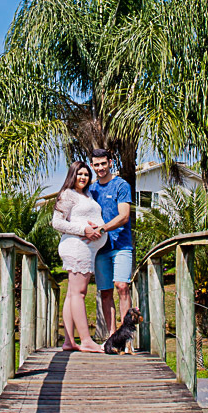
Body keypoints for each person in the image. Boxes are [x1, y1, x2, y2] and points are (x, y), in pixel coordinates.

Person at [51, 160, 107, 353]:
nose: (83, 177)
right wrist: (84, 230)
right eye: (79, 174)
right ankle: (86, 340)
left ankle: (69, 341)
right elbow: (57, 223)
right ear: (72, 175)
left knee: (71, 294)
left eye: (86, 174)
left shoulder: (87, 195)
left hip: (86, 248)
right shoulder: (67, 194)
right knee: (79, 293)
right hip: (77, 247)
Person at [88, 148, 134, 332]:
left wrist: (102, 229)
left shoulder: (121, 185)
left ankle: (126, 336)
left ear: (110, 163)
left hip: (121, 244)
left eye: (103, 164)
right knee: (105, 292)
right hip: (100, 248)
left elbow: (124, 216)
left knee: (122, 286)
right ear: (92, 166)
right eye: (96, 165)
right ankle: (112, 337)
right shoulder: (91, 189)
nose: (100, 168)